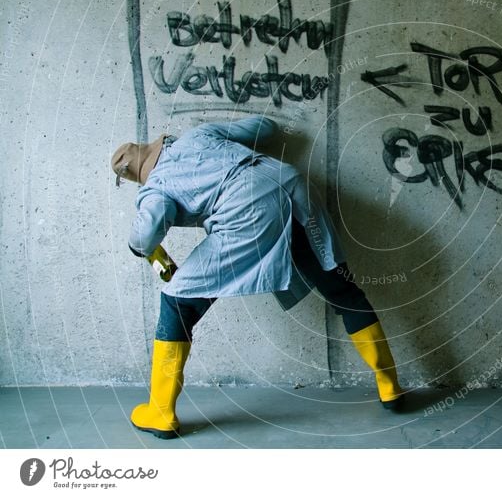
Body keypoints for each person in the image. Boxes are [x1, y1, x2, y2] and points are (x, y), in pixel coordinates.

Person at [111, 115, 405, 439]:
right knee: (340, 288)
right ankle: (390, 385)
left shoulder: (156, 188)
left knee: (177, 302)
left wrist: (141, 248)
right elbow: (265, 127)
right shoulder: (198, 134)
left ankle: (161, 412)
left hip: (249, 213)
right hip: (291, 185)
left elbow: (144, 238)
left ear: (135, 176)